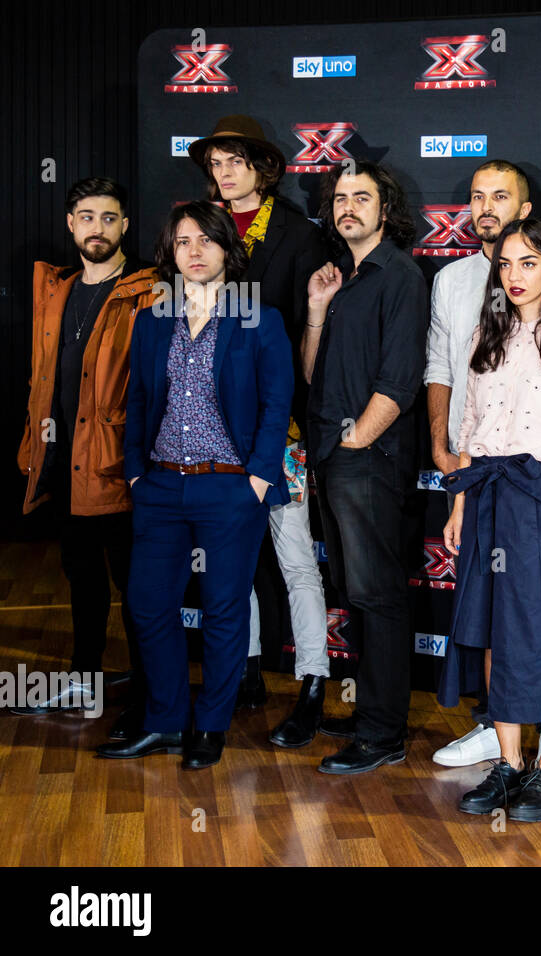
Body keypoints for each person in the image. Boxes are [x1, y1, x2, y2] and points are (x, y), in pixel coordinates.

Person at [95, 202, 292, 769]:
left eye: (206, 240)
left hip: (230, 489)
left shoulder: (259, 317)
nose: (195, 252)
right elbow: (135, 400)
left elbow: (278, 404)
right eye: (183, 242)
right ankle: (164, 722)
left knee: (224, 609)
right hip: (159, 487)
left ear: (227, 250)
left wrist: (257, 478)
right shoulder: (153, 318)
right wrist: (136, 471)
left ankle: (210, 726)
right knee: (148, 605)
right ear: (171, 253)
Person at [442, 220, 541, 822]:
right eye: (505, 264)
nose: (514, 275)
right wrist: (458, 505)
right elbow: (468, 431)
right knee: (491, 628)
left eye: (528, 263)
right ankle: (508, 764)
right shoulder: (485, 336)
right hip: (486, 498)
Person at [189, 115, 331, 742]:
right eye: (216, 162)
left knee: (297, 560)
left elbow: (311, 335)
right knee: (235, 563)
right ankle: (244, 670)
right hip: (214, 430)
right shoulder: (202, 230)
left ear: (264, 168)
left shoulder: (300, 235)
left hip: (284, 429)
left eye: (235, 161)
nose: (224, 172)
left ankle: (314, 682)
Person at [426, 161, 541, 775]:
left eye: (499, 196)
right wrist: (450, 466)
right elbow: (447, 378)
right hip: (478, 475)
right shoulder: (455, 288)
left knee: (540, 619)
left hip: (539, 485)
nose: (486, 206)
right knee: (487, 616)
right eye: (476, 196)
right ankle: (499, 740)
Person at [15, 178, 157, 735]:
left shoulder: (149, 289)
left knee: (136, 583)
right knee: (81, 576)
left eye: (109, 217)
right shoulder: (57, 289)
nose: (97, 227)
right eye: (86, 217)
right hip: (62, 459)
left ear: (125, 226)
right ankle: (85, 676)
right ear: (71, 224)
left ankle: (150, 691)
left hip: (120, 465)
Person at [301, 161, 427, 774]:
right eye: (340, 198)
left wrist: (356, 445)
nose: (348, 206)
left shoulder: (399, 274)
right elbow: (312, 373)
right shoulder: (339, 279)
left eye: (362, 197)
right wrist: (318, 309)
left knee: (377, 596)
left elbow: (399, 383)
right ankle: (370, 715)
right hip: (332, 456)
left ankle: (383, 733)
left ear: (386, 208)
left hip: (367, 461)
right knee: (357, 593)